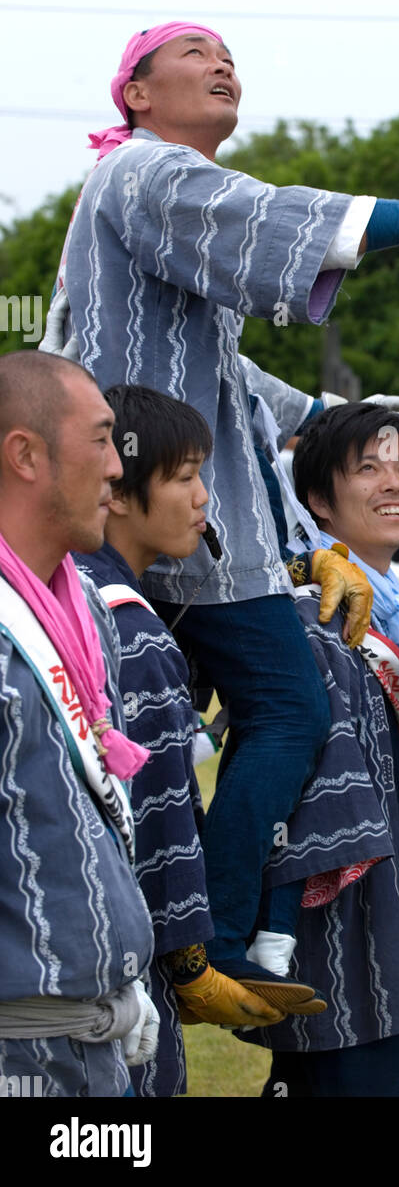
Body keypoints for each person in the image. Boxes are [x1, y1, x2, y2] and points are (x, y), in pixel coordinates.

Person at [40, 19, 399, 1001]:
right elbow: (274, 218)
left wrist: (324, 414)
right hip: (145, 514)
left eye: (229, 54)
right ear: (133, 93)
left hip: (164, 520)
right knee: (284, 710)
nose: (222, 63)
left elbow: (222, 368)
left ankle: (203, 942)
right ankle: (198, 946)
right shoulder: (143, 173)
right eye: (193, 53)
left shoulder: (163, 203)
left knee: (194, 729)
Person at [75, 384, 295, 1098]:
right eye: (182, 476)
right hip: (126, 962)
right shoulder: (133, 633)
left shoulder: (60, 595)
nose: (204, 496)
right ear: (117, 491)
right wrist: (193, 959)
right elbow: (164, 819)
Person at [237, 402, 399, 1096]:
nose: (396, 483)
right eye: (368, 469)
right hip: (330, 900)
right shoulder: (312, 608)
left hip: (383, 891)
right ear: (318, 499)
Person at [0, 351, 157, 1096]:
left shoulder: (86, 608)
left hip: (98, 1042)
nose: (117, 467)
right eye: (99, 438)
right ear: (25, 455)